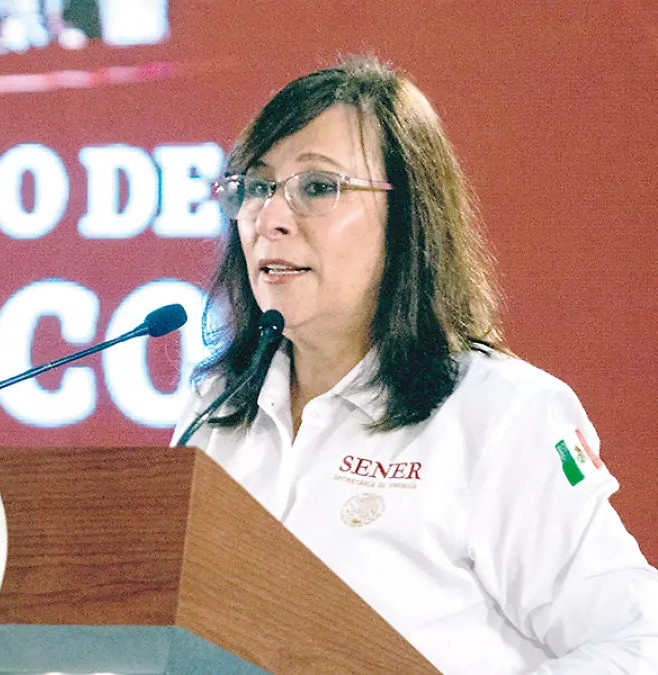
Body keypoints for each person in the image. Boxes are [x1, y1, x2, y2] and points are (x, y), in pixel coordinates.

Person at [172, 56, 658, 674]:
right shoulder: (214, 411)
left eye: (317, 187)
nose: (269, 219)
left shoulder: (501, 415)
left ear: (407, 217)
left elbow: (640, 643)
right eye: (255, 187)